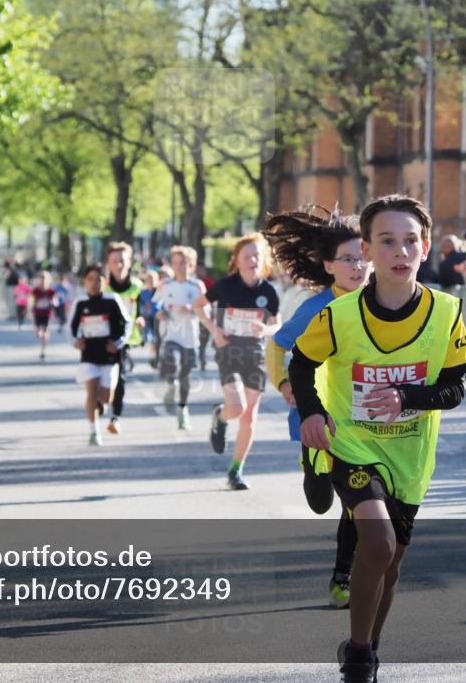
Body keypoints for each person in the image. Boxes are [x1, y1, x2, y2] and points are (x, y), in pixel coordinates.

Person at [289, 194, 466, 683]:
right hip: (352, 445)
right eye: (387, 241)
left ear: (426, 247)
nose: (400, 251)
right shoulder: (340, 315)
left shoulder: (446, 312)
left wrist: (408, 396)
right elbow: (302, 362)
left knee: (390, 563)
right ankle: (360, 658)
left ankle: (364, 640)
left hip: (410, 455)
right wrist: (311, 412)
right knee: (377, 540)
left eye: (410, 241)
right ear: (367, 250)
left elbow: (455, 389)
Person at [263, 206, 373, 609]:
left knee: (356, 504)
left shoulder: (383, 303)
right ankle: (311, 467)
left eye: (364, 256)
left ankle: (342, 578)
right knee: (320, 500)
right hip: (318, 418)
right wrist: (285, 383)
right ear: (329, 265)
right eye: (348, 259)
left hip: (363, 421)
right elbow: (276, 345)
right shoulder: (315, 308)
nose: (359, 266)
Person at [193, 233, 280, 490]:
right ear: (238, 261)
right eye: (247, 256)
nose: (253, 259)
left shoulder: (268, 291)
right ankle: (220, 416)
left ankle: (236, 471)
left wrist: (265, 331)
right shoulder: (225, 286)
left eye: (256, 255)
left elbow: (277, 325)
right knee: (237, 407)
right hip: (228, 351)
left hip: (254, 353)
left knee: (249, 416)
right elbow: (199, 306)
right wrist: (214, 330)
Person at [69, 264, 131, 446]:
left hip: (109, 354)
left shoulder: (113, 300)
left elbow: (127, 324)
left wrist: (118, 343)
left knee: (105, 397)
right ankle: (94, 431)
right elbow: (70, 328)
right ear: (84, 281)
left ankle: (99, 403)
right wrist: (76, 342)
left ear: (105, 282)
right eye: (90, 279)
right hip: (89, 354)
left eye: (98, 279)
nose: (94, 283)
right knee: (91, 389)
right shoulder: (80, 303)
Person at [153, 246, 206, 431]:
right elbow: (153, 304)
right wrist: (159, 313)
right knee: (172, 361)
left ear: (191, 265)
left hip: (191, 338)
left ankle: (183, 410)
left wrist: (191, 308)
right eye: (175, 263)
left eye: (183, 263)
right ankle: (170, 385)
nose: (179, 266)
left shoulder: (197, 286)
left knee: (186, 377)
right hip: (170, 335)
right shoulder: (165, 284)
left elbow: (206, 310)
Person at [105, 242, 144, 436]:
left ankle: (115, 417)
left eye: (122, 260)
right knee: (103, 377)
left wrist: (142, 319)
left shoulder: (137, 286)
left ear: (129, 263)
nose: (119, 265)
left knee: (120, 377)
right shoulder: (104, 288)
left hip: (126, 338)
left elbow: (143, 309)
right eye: (114, 261)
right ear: (108, 264)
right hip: (103, 339)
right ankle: (101, 402)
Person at [138, 270, 162, 368]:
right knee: (151, 339)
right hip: (146, 318)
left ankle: (156, 357)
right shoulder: (143, 293)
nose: (150, 282)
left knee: (157, 339)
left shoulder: (159, 291)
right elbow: (140, 305)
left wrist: (152, 306)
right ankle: (154, 357)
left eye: (152, 279)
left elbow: (160, 304)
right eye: (148, 280)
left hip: (156, 318)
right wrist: (145, 308)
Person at [32, 271, 56, 360]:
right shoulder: (36, 290)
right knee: (39, 332)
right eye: (41, 279)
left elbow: (54, 301)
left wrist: (54, 303)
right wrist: (32, 314)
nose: (43, 281)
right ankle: (39, 332)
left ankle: (43, 351)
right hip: (38, 313)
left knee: (45, 332)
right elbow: (33, 303)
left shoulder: (51, 291)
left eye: (45, 279)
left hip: (47, 313)